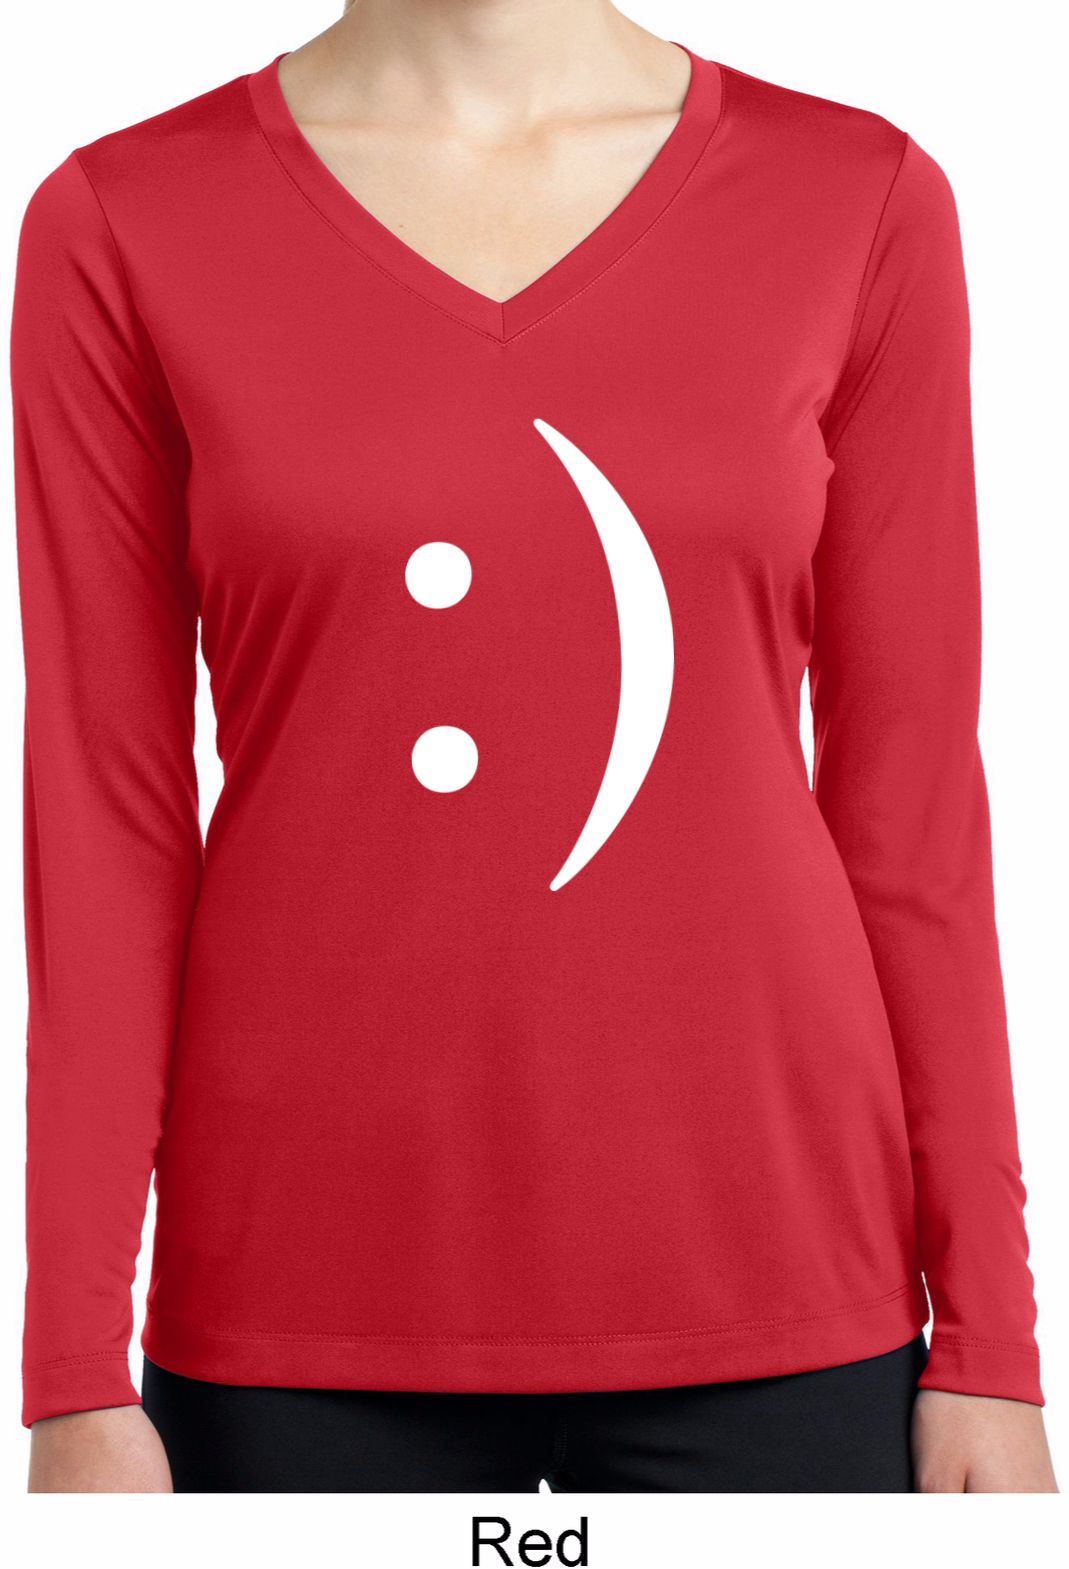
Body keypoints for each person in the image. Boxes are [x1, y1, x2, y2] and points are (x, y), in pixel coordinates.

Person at [12, 0, 1057, 1493]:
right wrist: (72, 1367)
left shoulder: (858, 199)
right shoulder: (124, 222)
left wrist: (991, 1344)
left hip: (779, 1299)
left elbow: (915, 818)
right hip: (297, 1324)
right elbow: (105, 830)